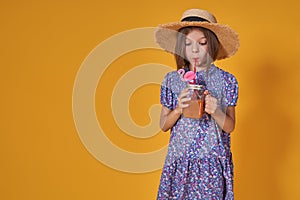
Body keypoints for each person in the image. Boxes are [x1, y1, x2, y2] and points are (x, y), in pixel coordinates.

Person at [154, 9, 239, 199]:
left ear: (213, 45)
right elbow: (163, 125)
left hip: (211, 165)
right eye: (187, 43)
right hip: (180, 161)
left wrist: (215, 111)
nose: (194, 49)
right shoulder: (172, 80)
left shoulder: (227, 81)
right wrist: (178, 109)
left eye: (202, 43)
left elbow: (230, 126)